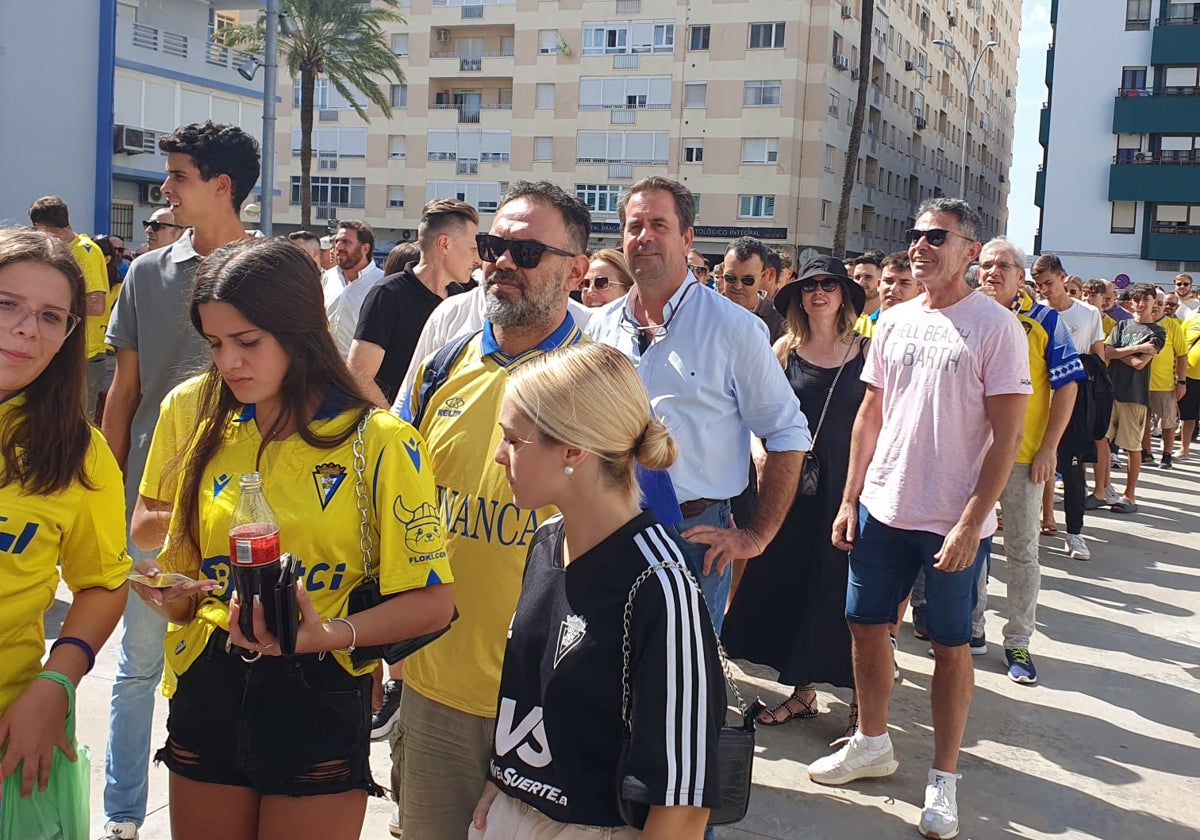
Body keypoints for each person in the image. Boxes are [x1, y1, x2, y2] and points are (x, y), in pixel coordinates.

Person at [131, 237, 454, 840]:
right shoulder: (192, 410)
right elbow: (169, 557)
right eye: (215, 343)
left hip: (320, 693)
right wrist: (174, 596)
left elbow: (434, 604)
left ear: (300, 329)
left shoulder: (379, 439)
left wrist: (325, 634)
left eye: (248, 342)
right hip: (210, 681)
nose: (229, 362)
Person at [809, 198, 1030, 840]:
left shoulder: (996, 328)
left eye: (936, 237)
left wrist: (970, 523)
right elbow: (870, 416)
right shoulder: (894, 320)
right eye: (914, 235)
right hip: (883, 507)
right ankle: (872, 742)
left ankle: (944, 778)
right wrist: (852, 498)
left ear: (968, 251)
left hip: (952, 520)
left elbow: (1007, 436)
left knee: (950, 646)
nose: (919, 246)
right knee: (866, 625)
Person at [393, 181, 591, 840]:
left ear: (578, 269)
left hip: (549, 702)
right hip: (434, 691)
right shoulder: (441, 360)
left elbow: (622, 554)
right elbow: (394, 500)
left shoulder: (600, 380)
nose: (502, 261)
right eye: (493, 245)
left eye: (527, 251)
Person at [469, 342, 722, 840]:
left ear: (573, 450)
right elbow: (533, 696)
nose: (499, 455)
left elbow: (685, 803)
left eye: (513, 440)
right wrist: (503, 783)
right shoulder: (545, 541)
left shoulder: (660, 586)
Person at [102, 119, 260, 840]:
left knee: (225, 665)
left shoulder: (275, 278)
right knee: (135, 668)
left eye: (178, 177)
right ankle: (124, 814)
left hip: (239, 516)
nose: (163, 190)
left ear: (221, 186)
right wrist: (108, 491)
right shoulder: (142, 273)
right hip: (150, 511)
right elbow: (122, 393)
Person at [586, 176, 809, 635]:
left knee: (683, 685)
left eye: (659, 225)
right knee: (604, 672)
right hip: (606, 524)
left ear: (687, 238)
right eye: (634, 226)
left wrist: (756, 536)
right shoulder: (599, 327)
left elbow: (787, 432)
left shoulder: (733, 328)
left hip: (691, 537)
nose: (644, 236)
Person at [0, 228, 130, 814]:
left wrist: (57, 684)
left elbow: (103, 582)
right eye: (7, 305)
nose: (27, 328)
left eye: (52, 316)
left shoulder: (79, 452)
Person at [722, 255, 868, 738]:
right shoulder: (784, 349)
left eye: (829, 285)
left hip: (849, 490)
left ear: (844, 295)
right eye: (809, 287)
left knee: (845, 596)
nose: (818, 293)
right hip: (793, 490)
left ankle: (860, 705)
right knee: (796, 585)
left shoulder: (867, 352)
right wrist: (759, 454)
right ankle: (802, 692)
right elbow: (748, 412)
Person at [973, 239, 1083, 685]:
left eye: (1004, 266)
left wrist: (1049, 448)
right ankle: (970, 626)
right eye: (985, 265)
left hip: (1022, 458)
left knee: (1022, 552)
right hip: (970, 459)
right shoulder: (964, 315)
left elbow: (1068, 386)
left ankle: (1018, 638)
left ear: (1022, 277)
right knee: (971, 548)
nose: (992, 273)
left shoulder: (1045, 321)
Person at [349, 200, 480, 407]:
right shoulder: (388, 295)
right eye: (472, 248)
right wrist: (398, 426)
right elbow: (359, 374)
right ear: (444, 244)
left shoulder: (465, 296)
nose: (478, 259)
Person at [1030, 254, 1108, 561]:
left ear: (1063, 278)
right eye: (1039, 286)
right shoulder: (1034, 314)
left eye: (1048, 283)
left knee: (1073, 470)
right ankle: (1037, 521)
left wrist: (1097, 405)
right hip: (1038, 400)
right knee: (1035, 465)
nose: (1045, 290)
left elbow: (1098, 357)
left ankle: (1075, 533)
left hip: (1074, 399)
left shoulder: (1089, 314)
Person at [27, 196, 110, 421]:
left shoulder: (84, 251)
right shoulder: (68, 250)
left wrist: (52, 308)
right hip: (70, 351)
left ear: (41, 227)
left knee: (78, 422)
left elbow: (97, 305)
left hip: (85, 356)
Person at [1102, 284, 1166, 513]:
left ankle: (1130, 495)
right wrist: (1137, 347)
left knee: (1132, 447)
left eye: (1145, 300)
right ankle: (1103, 489)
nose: (1140, 304)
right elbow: (1106, 353)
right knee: (1102, 442)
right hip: (1111, 391)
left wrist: (1120, 353)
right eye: (1136, 299)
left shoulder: (1158, 332)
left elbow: (1140, 364)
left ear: (1153, 303)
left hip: (1134, 396)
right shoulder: (1121, 325)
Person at [323, 220, 385, 357]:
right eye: (337, 241)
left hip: (359, 372)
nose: (338, 247)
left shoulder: (381, 284)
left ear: (365, 248)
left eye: (346, 242)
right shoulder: (329, 277)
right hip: (325, 369)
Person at [1144, 292, 1187, 469]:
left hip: (1165, 384)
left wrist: (1181, 382)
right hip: (1139, 383)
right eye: (1153, 301)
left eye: (1160, 303)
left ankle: (1167, 454)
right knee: (1142, 422)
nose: (1156, 306)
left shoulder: (1172, 326)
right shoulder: (1137, 322)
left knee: (1168, 422)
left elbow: (1182, 355)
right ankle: (1146, 453)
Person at [855, 252, 920, 339]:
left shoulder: (924, 331)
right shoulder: (855, 327)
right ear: (879, 284)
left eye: (904, 283)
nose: (893, 288)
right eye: (888, 281)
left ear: (920, 290)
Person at [849, 252, 884, 317]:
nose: (860, 283)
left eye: (868, 277)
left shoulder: (892, 319)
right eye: (857, 277)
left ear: (882, 281)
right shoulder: (845, 317)